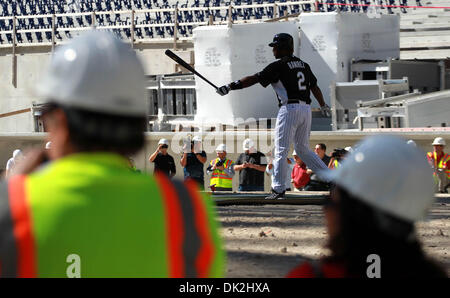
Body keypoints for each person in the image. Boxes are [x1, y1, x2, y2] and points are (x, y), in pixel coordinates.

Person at [0, 31, 224, 277]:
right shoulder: (186, 208)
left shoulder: (12, 207)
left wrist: (10, 194)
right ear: (138, 122)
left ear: (58, 121)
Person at [288, 135, 447, 278]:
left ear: (354, 214)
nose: (325, 210)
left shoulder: (311, 274)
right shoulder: (433, 273)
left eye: (330, 203)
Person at [216, 33, 331, 200]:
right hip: (306, 109)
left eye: (276, 47)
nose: (273, 50)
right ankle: (331, 179)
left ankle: (278, 189)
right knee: (303, 149)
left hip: (289, 108)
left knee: (281, 150)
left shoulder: (278, 65)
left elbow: (254, 79)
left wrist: (230, 86)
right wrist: (323, 105)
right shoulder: (303, 65)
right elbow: (314, 87)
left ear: (284, 48)